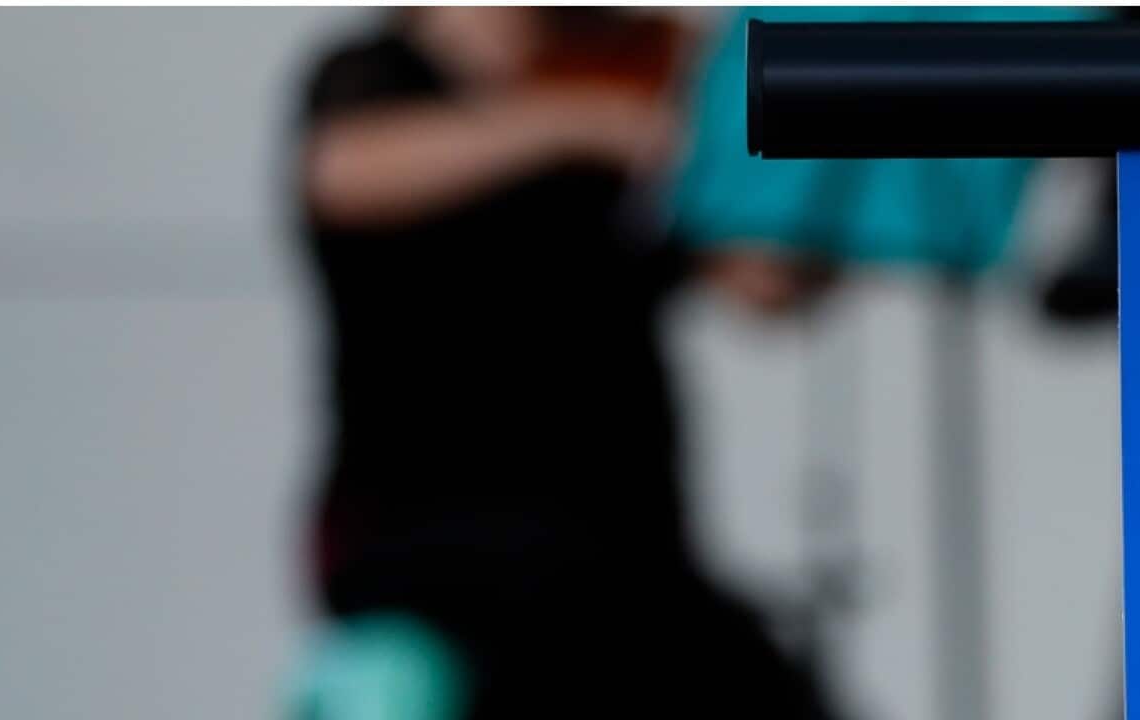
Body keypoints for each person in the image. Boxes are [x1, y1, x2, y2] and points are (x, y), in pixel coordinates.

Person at [289, 8, 835, 719]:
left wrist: (811, 185)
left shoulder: (642, 71)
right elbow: (342, 172)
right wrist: (591, 123)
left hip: (621, 536)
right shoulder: (376, 78)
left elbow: (761, 282)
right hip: (427, 536)